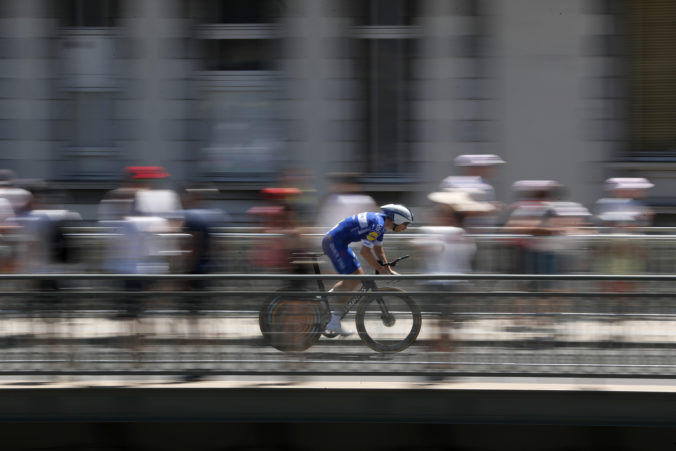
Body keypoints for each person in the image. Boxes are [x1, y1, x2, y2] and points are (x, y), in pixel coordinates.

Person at [321, 204, 413, 335]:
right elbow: (365, 252)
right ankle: (334, 322)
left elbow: (378, 249)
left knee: (356, 279)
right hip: (334, 243)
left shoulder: (381, 225)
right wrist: (380, 269)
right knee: (353, 280)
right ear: (397, 219)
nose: (405, 228)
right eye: (405, 224)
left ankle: (321, 301)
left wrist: (387, 269)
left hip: (339, 243)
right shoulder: (379, 225)